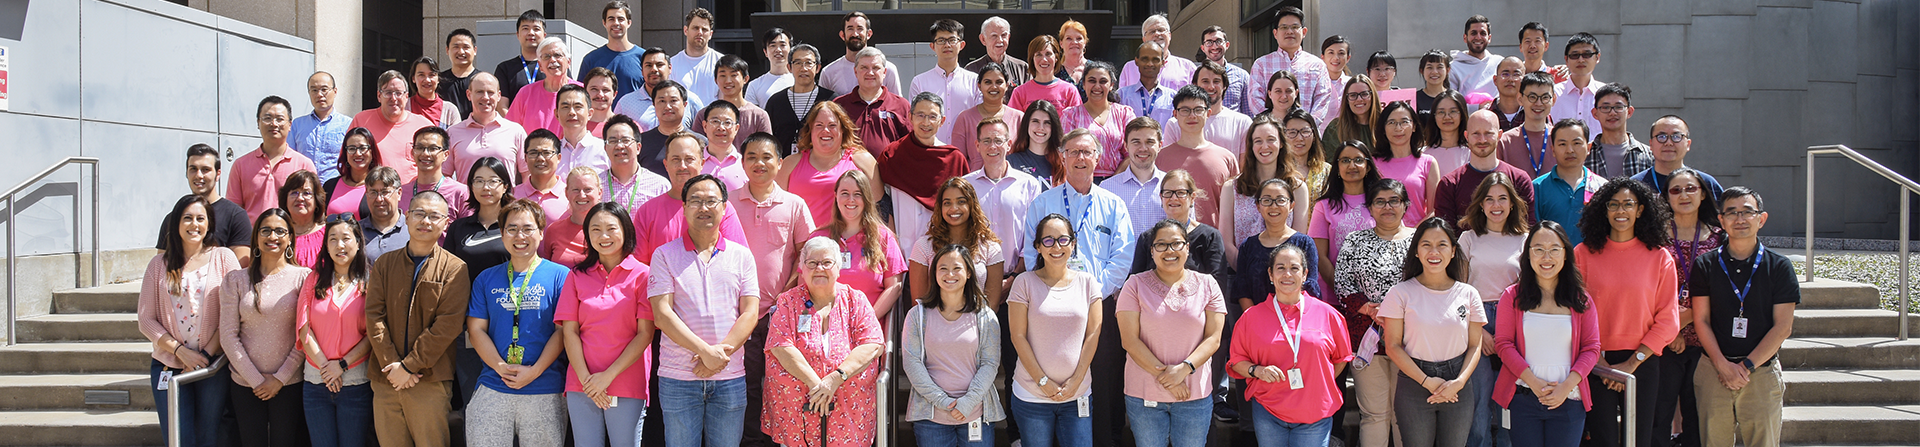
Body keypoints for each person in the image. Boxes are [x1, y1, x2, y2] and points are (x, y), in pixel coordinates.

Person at [648, 174, 763, 447]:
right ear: (684, 207)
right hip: (679, 378)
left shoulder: (742, 256)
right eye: (695, 201)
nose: (704, 208)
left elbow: (750, 312)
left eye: (711, 201)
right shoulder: (664, 255)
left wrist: (719, 355)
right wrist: (706, 352)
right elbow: (662, 314)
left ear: (724, 207)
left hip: (730, 377)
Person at [1573, 179, 1680, 447]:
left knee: (1640, 440)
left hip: (1642, 362)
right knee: (1603, 439)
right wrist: (1600, 363)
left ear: (1640, 210)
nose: (1621, 211)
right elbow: (1574, 313)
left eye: (1628, 204)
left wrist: (1630, 365)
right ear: (1604, 210)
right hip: (1596, 362)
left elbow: (1668, 319)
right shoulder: (1583, 254)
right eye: (1614, 205)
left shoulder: (1660, 257)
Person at [1689, 187, 1796, 447]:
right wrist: (1723, 366)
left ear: (1761, 218)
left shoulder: (1779, 266)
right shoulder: (1705, 264)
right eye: (1732, 213)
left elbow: (1783, 327)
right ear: (1721, 220)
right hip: (1713, 370)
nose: (1740, 219)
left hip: (1760, 372)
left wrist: (1746, 366)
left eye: (1747, 212)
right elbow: (1700, 320)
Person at [365, 190, 470, 447]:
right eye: (419, 214)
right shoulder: (384, 264)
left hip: (429, 379)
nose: (426, 221)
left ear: (445, 223)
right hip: (386, 378)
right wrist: (393, 365)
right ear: (407, 217)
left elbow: (448, 325)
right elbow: (374, 316)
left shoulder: (455, 268)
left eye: (434, 216)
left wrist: (410, 366)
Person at [731, 134, 816, 447]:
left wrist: (787, 295)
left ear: (780, 163)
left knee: (784, 383)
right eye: (751, 156)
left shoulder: (794, 205)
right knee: (748, 383)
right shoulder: (727, 203)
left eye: (766, 157)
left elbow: (805, 255)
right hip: (738, 313)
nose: (759, 163)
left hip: (781, 312)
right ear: (743, 163)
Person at [762, 237, 887, 447]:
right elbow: (780, 346)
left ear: (838, 268)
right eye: (812, 263)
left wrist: (835, 379)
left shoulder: (855, 300)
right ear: (801, 268)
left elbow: (872, 343)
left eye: (827, 262)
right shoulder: (788, 301)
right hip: (798, 415)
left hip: (849, 413)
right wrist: (818, 386)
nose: (819, 268)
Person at [463, 198, 567, 447]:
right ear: (502, 233)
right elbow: (476, 329)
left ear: (541, 233)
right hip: (494, 384)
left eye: (528, 228)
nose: (520, 236)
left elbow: (563, 332)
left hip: (545, 387)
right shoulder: (486, 278)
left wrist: (534, 372)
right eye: (512, 229)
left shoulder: (560, 276)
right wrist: (501, 367)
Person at [139, 195, 242, 447]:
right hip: (170, 364)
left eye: (200, 218)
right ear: (176, 223)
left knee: (209, 436)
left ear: (209, 224)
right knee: (178, 437)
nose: (193, 224)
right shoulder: (158, 265)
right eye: (187, 218)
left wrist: (205, 355)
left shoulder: (224, 258)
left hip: (212, 366)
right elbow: (146, 319)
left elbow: (233, 314)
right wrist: (180, 352)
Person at [1116, 218, 1228, 447]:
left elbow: (1213, 338)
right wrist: (1169, 379)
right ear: (1152, 250)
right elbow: (1130, 341)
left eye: (1176, 243)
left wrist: (1184, 369)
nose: (1169, 251)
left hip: (1194, 395)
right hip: (1144, 394)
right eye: (1161, 245)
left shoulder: (1208, 285)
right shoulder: (1134, 285)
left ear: (1187, 248)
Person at [1492, 220, 1603, 447]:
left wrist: (1566, 387)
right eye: (1539, 250)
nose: (1546, 257)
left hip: (1569, 399)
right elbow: (1503, 344)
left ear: (1565, 254)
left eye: (1554, 250)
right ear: (1528, 254)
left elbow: (1591, 348)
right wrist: (1533, 383)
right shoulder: (1512, 296)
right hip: (1523, 398)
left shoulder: (1581, 300)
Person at [1230, 244, 1351, 447]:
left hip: (1314, 413)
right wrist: (1256, 370)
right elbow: (1236, 361)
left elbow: (1340, 360)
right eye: (1280, 268)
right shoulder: (1251, 318)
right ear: (1270, 274)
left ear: (1305, 274)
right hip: (1268, 411)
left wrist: (1316, 380)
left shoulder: (1329, 315)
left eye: (1294, 268)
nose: (1287, 274)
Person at [1380, 217, 1487, 447]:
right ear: (1416, 251)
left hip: (1458, 384)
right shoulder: (1400, 293)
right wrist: (1427, 381)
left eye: (1442, 244)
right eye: (1426, 244)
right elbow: (1393, 346)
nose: (1434, 251)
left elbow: (1475, 345)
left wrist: (1458, 382)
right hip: (1414, 382)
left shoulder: (1468, 294)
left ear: (1453, 251)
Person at [556, 201, 655, 447]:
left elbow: (644, 334)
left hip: (626, 381)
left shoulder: (643, 275)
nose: (604, 236)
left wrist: (607, 378)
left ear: (626, 230)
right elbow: (570, 332)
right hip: (582, 382)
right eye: (595, 229)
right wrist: (588, 380)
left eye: (611, 228)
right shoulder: (576, 275)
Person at [1006, 214, 1103, 447]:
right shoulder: (1024, 283)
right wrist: (1043, 382)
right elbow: (1018, 337)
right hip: (1032, 396)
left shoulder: (1088, 282)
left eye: (1063, 239)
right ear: (1038, 247)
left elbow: (1093, 334)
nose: (1056, 246)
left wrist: (1076, 381)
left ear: (1073, 243)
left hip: (1077, 394)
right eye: (1048, 240)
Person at [1332, 179, 1415, 447]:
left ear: (1406, 205)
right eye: (1380, 201)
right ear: (1370, 207)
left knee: (1405, 416)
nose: (1387, 206)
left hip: (1412, 339)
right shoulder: (1355, 241)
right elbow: (1342, 283)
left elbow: (1433, 281)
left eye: (1394, 200)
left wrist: (1396, 315)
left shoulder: (1420, 240)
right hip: (1367, 339)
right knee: (1375, 414)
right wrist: (1370, 309)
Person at [219, 210, 313, 447]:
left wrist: (279, 379)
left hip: (289, 383)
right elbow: (228, 335)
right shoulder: (236, 280)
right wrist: (255, 379)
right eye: (266, 230)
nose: (273, 236)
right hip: (244, 383)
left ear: (290, 237)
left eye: (280, 231)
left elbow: (305, 335)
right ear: (256, 237)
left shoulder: (304, 278)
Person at [1455, 171, 1532, 447]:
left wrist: (1505, 335)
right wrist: (1480, 333)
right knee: (1478, 403)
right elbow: (1459, 291)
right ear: (1481, 204)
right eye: (1489, 199)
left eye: (1502, 198)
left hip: (1514, 321)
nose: (1496, 205)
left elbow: (1530, 289)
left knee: (1509, 400)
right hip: (1477, 321)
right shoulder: (1468, 239)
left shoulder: (1526, 239)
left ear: (1512, 203)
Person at [903, 244, 1007, 447]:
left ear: (969, 273)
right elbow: (912, 363)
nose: (950, 274)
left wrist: (967, 402)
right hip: (931, 416)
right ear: (934, 274)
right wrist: (942, 401)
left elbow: (990, 363)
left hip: (976, 412)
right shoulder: (917, 315)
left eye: (957, 268)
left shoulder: (986, 317)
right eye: (943, 268)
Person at [1023, 130, 1135, 296]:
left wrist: (1096, 292)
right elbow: (1032, 253)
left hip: (1100, 299)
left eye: (1087, 152)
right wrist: (1049, 288)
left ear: (1097, 158)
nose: (1080, 158)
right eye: (1074, 152)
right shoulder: (1042, 204)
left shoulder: (1114, 206)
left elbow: (1122, 256)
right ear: (1062, 158)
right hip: (1051, 297)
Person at [1659, 168, 1723, 447]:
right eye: (1676, 190)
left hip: (1708, 339)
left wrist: (1687, 321)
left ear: (1703, 194)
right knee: (1658, 416)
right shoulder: (1652, 237)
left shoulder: (1721, 238)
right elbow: (1647, 289)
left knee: (1698, 418)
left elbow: (1724, 288)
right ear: (1667, 197)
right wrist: (1673, 330)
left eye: (1691, 189)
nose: (1684, 195)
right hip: (1664, 339)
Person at [298, 213, 375, 447]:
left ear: (358, 242)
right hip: (316, 381)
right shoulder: (314, 279)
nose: (339, 245)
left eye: (345, 238)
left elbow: (372, 334)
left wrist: (341, 366)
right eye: (332, 239)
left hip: (354, 382)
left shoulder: (370, 281)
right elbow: (304, 328)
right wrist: (326, 368)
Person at [628, 131, 752, 264]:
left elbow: (739, 260)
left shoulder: (719, 207)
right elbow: (639, 267)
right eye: (675, 159)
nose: (682, 166)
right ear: (666, 165)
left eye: (689, 159)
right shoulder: (647, 212)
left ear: (702, 163)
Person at [810, 170, 908, 316]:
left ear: (867, 198)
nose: (851, 199)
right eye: (844, 193)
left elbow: (895, 286)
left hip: (868, 331)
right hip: (825, 329)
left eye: (858, 194)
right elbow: (804, 287)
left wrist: (867, 321)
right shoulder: (819, 238)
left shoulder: (883, 237)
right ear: (835, 195)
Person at [884, 93, 973, 252]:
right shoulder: (892, 154)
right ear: (910, 117)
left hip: (943, 247)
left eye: (932, 116)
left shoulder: (953, 158)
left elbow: (965, 206)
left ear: (942, 121)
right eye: (920, 115)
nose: (926, 122)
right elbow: (880, 201)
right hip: (900, 244)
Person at [965, 118, 1048, 281]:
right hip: (973, 279)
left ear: (1009, 144)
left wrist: (1015, 276)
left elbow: (1034, 234)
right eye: (986, 141)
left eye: (998, 140)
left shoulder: (1029, 185)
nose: (992, 146)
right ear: (977, 145)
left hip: (1017, 278)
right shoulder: (966, 185)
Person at [778, 101, 880, 227]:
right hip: (802, 244)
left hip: (849, 244)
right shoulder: (790, 164)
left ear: (842, 129)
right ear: (810, 130)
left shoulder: (863, 161)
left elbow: (881, 210)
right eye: (819, 125)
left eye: (832, 125)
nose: (825, 130)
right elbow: (776, 209)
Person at [910, 178, 1007, 305]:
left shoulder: (991, 248)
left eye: (961, 202)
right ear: (940, 207)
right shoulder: (923, 246)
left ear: (972, 205)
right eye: (947, 203)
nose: (953, 208)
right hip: (933, 323)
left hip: (977, 323)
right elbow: (918, 304)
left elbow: (992, 306)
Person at [1158, 85, 1242, 233]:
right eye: (1185, 110)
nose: (1192, 116)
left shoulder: (1226, 158)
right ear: (1175, 114)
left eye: (1198, 110)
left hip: (1214, 244)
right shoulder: (1159, 158)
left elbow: (1237, 208)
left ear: (1208, 113)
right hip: (1169, 242)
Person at [1433, 110, 1536, 224]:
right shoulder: (1449, 184)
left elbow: (1527, 228)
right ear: (1466, 136)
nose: (1482, 140)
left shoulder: (1519, 180)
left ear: (1499, 135)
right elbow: (1446, 235)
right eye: (1476, 133)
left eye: (1488, 133)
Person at [1233, 177, 1323, 306]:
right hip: (1258, 321)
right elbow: (1243, 290)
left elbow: (1310, 287)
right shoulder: (1248, 246)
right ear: (1258, 206)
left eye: (1280, 200)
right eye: (1267, 200)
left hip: (1296, 320)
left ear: (1291, 205)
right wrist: (1254, 319)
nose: (1273, 206)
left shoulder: (1304, 243)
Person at [1309, 142, 1383, 287]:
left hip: (1375, 293)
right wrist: (1344, 290)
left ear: (1368, 166)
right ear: (1337, 168)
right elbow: (1320, 256)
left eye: (1358, 160)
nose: (1352, 166)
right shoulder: (1324, 206)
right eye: (1345, 160)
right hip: (1333, 294)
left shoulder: (1381, 202)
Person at [232, 96, 319, 219]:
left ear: (289, 125)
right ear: (258, 123)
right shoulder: (240, 165)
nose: (274, 124)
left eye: (280, 119)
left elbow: (313, 209)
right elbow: (234, 211)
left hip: (291, 235)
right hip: (252, 236)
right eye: (268, 118)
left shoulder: (304, 165)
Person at [1128, 170, 1227, 277]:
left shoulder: (1210, 237)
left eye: (1180, 193)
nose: (1173, 198)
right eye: (1168, 193)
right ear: (1161, 197)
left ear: (1192, 197)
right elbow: (1137, 282)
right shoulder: (1147, 238)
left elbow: (1218, 282)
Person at [1249, 7, 1336, 127]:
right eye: (1284, 27)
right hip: (1273, 133)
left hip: (1305, 135)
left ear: (1304, 32)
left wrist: (1305, 126)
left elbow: (1322, 99)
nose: (1289, 31)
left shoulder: (1317, 65)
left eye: (1295, 27)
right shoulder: (1261, 64)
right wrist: (1273, 125)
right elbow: (1255, 99)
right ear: (1275, 33)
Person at [351, 70, 436, 182]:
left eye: (398, 93)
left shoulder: (424, 126)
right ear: (379, 96)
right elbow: (348, 158)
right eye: (388, 92)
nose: (393, 98)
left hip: (414, 195)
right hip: (373, 194)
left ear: (406, 96)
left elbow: (437, 165)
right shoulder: (361, 121)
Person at [1531, 119, 1606, 244]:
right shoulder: (1538, 187)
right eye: (1562, 144)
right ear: (1553, 150)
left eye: (1577, 143)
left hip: (1592, 260)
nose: (1570, 150)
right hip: (1552, 261)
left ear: (1588, 147)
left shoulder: (1601, 187)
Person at [832, 47, 913, 159]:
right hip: (850, 173)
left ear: (884, 72)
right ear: (856, 71)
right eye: (864, 67)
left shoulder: (901, 105)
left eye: (875, 68)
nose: (870, 73)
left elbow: (911, 144)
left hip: (889, 173)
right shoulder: (839, 105)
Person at [1061, 62, 1138, 179]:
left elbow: (1132, 153)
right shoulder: (1071, 115)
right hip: (1081, 181)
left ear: (1111, 85)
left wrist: (1113, 181)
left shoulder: (1124, 114)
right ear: (1084, 84)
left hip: (1119, 180)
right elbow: (1067, 153)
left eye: (1103, 81)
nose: (1097, 86)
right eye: (1092, 81)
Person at [910, 19, 981, 143]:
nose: (947, 45)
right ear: (932, 46)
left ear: (962, 45)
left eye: (952, 40)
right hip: (930, 153)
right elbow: (914, 121)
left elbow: (978, 119)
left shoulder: (975, 81)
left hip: (965, 154)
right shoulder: (919, 82)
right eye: (941, 40)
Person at [1372, 101, 1443, 226]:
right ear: (1383, 128)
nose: (1398, 128)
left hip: (1417, 236)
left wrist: (1411, 235)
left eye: (1404, 122)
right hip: (1382, 235)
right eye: (1391, 122)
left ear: (1414, 126)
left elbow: (1434, 210)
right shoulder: (1373, 163)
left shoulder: (1428, 162)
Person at [448, 72, 528, 181]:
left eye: (490, 92)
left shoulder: (516, 131)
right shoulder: (453, 133)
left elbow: (527, 175)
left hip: (506, 198)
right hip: (466, 198)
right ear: (468, 95)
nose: (485, 97)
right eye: (479, 92)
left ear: (499, 96)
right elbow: (444, 177)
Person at [1165, 63, 1254, 161]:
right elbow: (1170, 163)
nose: (1211, 87)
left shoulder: (1242, 123)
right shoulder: (1175, 124)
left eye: (1216, 81)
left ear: (1224, 86)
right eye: (1205, 81)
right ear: (1195, 84)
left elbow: (1244, 169)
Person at [1631, 115, 1727, 202]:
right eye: (1662, 137)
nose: (1668, 143)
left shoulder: (1706, 184)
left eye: (1676, 137)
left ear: (1688, 144)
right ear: (1651, 144)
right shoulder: (1635, 185)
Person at [610, 48, 709, 132]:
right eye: (648, 65)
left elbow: (704, 134)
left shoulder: (691, 100)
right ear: (642, 71)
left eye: (659, 64)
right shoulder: (626, 103)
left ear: (670, 68)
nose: (654, 69)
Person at [952, 63, 1025, 171]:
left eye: (999, 82)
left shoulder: (1018, 118)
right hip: (974, 184)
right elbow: (958, 161)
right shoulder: (965, 118)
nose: (994, 86)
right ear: (979, 86)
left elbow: (1025, 157)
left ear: (1007, 85)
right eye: (988, 82)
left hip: (1012, 183)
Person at [1101, 117, 1167, 236]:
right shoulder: (1107, 188)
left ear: (1160, 145)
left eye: (1150, 142)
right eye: (1136, 142)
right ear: (1126, 146)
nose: (1143, 148)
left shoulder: (1171, 186)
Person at [690, 56, 775, 148]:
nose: (728, 81)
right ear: (716, 80)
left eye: (734, 75)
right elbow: (696, 148)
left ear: (745, 79)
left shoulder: (758, 115)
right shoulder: (703, 115)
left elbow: (766, 149)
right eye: (723, 76)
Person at [765, 44, 834, 154]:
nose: (804, 68)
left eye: (809, 63)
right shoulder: (775, 102)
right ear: (789, 67)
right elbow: (767, 139)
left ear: (818, 68)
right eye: (798, 63)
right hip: (784, 167)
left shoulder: (831, 100)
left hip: (820, 167)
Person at [508, 37, 584, 136]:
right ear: (540, 65)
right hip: (535, 150)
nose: (552, 60)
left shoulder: (581, 91)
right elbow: (510, 130)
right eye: (546, 57)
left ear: (568, 62)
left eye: (557, 55)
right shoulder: (525, 93)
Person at [601, 115, 673, 211]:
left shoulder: (660, 186)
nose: (619, 146)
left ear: (638, 147)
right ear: (605, 148)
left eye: (625, 140)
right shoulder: (596, 185)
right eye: (613, 141)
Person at [821, 11, 903, 94]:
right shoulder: (828, 72)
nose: (855, 34)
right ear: (842, 35)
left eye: (860, 28)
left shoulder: (888, 69)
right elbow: (822, 106)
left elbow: (897, 104)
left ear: (869, 34)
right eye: (850, 29)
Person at [579, 1, 646, 103]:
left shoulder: (644, 58)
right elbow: (581, 95)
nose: (616, 23)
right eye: (611, 19)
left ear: (629, 23)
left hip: (634, 118)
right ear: (604, 23)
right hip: (601, 118)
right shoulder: (591, 59)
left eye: (621, 19)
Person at [1498, 73, 1559, 180]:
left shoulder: (1561, 139)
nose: (1538, 103)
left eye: (1545, 97)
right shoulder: (1504, 142)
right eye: (1532, 97)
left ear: (1553, 100)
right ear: (1520, 99)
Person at [539, 167, 604, 268]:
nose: (582, 195)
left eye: (588, 189)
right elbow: (547, 269)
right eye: (576, 190)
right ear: (566, 193)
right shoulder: (554, 230)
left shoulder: (608, 229)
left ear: (600, 192)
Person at [403, 127, 472, 219]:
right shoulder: (401, 193)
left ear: (446, 155)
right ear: (412, 152)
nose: (425, 154)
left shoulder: (460, 193)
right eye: (420, 148)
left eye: (433, 148)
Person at [295, 72, 353, 181]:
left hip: (336, 188)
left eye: (324, 89)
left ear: (335, 91)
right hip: (305, 189)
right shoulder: (296, 125)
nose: (319, 94)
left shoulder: (348, 124)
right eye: (314, 90)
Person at [1585, 83, 1651, 178]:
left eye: (1618, 107)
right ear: (1595, 113)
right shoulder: (1585, 154)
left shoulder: (1648, 156)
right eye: (1605, 107)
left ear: (1629, 112)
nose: (1612, 113)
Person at [637, 81, 699, 177]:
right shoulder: (641, 142)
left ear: (685, 104)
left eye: (673, 101)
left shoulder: (699, 141)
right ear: (654, 105)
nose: (668, 106)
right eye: (662, 101)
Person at [1120, 14, 1197, 90]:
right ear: (1144, 39)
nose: (1157, 34)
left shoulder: (1187, 67)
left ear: (1169, 36)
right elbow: (1121, 99)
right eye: (1152, 32)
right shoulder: (1130, 68)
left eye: (1161, 30)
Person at [1550, 33, 1605, 139]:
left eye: (1587, 54)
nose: (1581, 60)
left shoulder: (1606, 95)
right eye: (1575, 55)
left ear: (1597, 57)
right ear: (1566, 60)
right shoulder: (1553, 94)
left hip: (1598, 155)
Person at [1277, 109, 1331, 210]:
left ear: (1314, 135)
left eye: (1305, 132)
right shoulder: (1278, 170)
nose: (1300, 138)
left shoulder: (1327, 171)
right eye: (1292, 132)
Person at [494, 10, 548, 108]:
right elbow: (502, 106)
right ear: (518, 34)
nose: (531, 33)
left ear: (544, 35)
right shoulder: (505, 68)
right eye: (525, 28)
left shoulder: (554, 65)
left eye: (536, 29)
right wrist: (515, 124)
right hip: (515, 123)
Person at [1010, 36, 1080, 111]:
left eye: (1048, 54)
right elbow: (1012, 121)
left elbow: (1079, 120)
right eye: (1039, 55)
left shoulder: (1069, 91)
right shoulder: (1020, 93)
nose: (1044, 59)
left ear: (1056, 57)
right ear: (1032, 59)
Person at [670, 8, 724, 103]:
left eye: (704, 29)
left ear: (710, 34)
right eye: (695, 28)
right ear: (686, 30)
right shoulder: (672, 64)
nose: (700, 32)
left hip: (713, 117)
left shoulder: (721, 62)